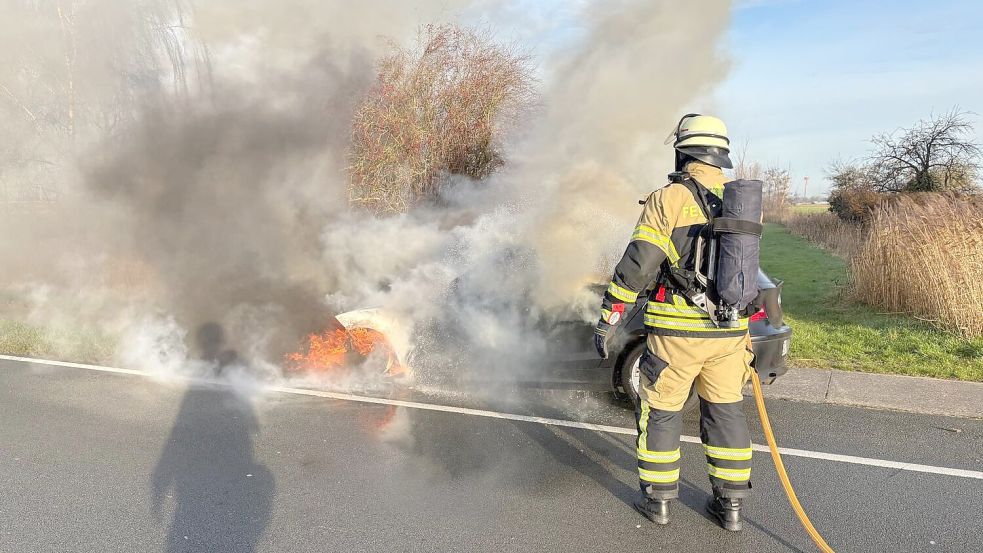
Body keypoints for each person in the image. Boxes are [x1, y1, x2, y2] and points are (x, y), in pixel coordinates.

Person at [593, 114, 753, 531]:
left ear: (683, 151)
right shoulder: (740, 199)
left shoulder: (670, 198)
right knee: (726, 414)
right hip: (731, 334)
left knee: (661, 412)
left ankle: (659, 502)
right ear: (720, 153)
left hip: (678, 334)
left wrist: (610, 314)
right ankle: (731, 508)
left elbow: (639, 263)